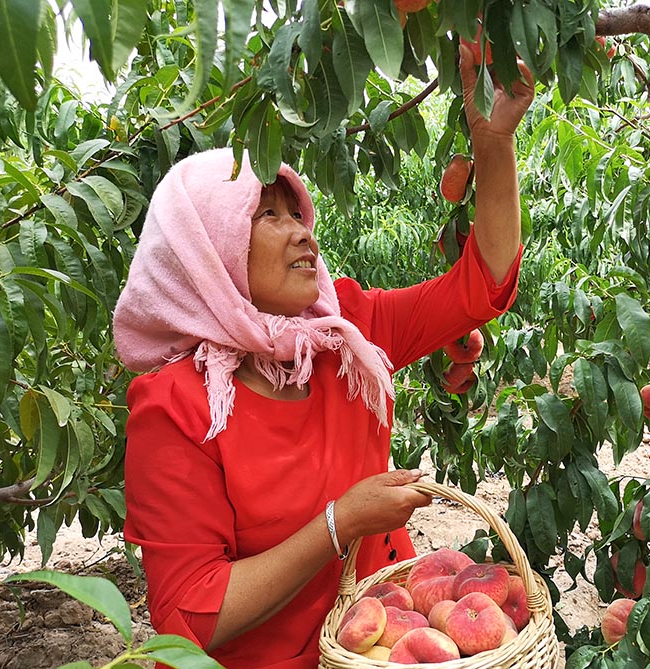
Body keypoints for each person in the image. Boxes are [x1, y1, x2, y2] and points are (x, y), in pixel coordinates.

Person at [112, 45, 535, 669]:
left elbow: (483, 284)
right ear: (208, 252)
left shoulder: (346, 338)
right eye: (267, 216)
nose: (303, 230)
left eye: (297, 213)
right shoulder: (178, 405)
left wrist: (492, 141)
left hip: (382, 649)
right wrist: (338, 525)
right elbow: (188, 616)